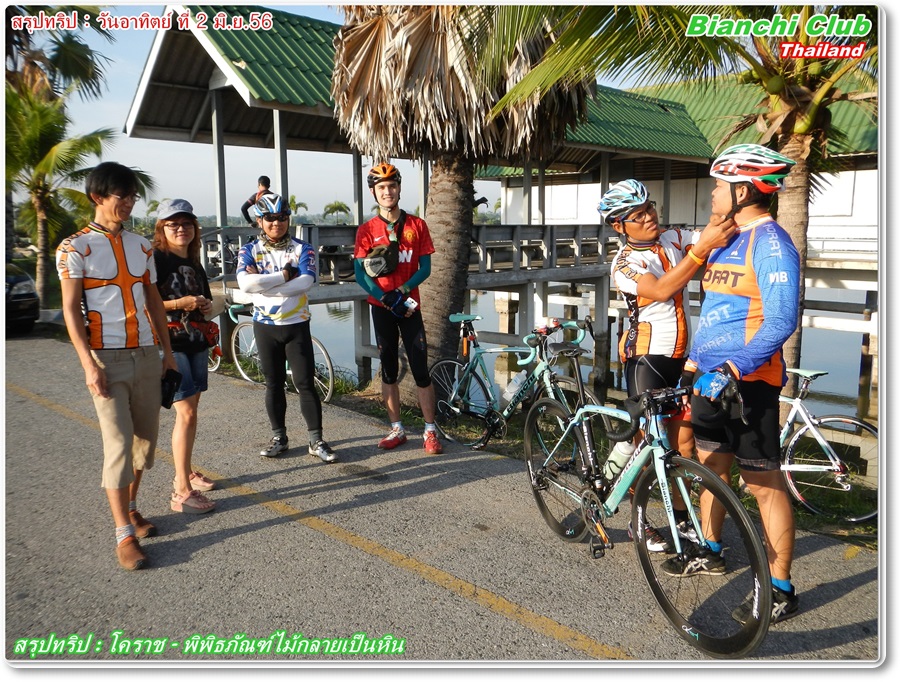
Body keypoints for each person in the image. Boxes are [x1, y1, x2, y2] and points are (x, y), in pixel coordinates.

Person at [662, 143, 801, 625]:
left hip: (748, 382)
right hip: (708, 379)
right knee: (711, 467)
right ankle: (711, 548)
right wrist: (692, 367)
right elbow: (717, 314)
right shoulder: (726, 237)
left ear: (743, 192)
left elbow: (781, 320)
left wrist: (733, 369)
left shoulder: (772, 243)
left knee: (762, 483)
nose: (714, 193)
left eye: (720, 186)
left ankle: (780, 589)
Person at [600, 179, 736, 552]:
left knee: (683, 446)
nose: (649, 217)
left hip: (680, 359)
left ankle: (680, 518)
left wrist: (730, 201)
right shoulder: (625, 262)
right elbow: (661, 290)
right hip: (648, 360)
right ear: (619, 225)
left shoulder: (673, 238)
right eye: (638, 215)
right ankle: (637, 520)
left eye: (650, 208)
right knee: (647, 447)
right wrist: (700, 252)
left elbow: (713, 231)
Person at [56, 161, 178, 571]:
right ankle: (123, 535)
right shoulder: (74, 248)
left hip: (145, 354)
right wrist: (87, 364)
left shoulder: (142, 245)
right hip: (105, 359)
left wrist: (167, 353)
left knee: (144, 443)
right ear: (97, 197)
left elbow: (154, 302)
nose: (128, 203)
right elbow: (70, 310)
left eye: (132, 196)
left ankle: (131, 507)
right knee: (119, 445)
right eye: (121, 196)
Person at [236, 192, 336, 462]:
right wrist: (283, 276)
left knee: (305, 384)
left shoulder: (303, 248)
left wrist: (264, 285)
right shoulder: (249, 250)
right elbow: (245, 285)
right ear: (259, 221)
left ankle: (316, 440)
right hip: (265, 327)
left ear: (288, 219)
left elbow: (305, 282)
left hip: (296, 325)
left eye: (281, 217)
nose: (276, 223)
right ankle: (279, 438)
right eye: (269, 218)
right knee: (273, 384)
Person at [353, 163, 442, 455]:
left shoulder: (417, 225)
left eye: (392, 186)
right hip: (382, 307)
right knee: (389, 370)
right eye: (381, 187)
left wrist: (402, 292)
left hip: (409, 306)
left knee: (420, 369)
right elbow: (360, 274)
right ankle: (397, 429)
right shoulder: (367, 230)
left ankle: (430, 431)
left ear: (399, 188)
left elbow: (425, 268)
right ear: (373, 192)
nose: (387, 191)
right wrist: (384, 296)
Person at [152, 199, 217, 514]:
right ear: (162, 229)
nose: (181, 229)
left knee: (190, 413)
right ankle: (181, 489)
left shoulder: (194, 261)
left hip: (196, 342)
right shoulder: (156, 260)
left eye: (187, 223)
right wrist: (181, 303)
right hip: (170, 344)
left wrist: (204, 304)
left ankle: (186, 471)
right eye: (173, 224)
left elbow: (203, 299)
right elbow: (146, 303)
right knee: (186, 413)